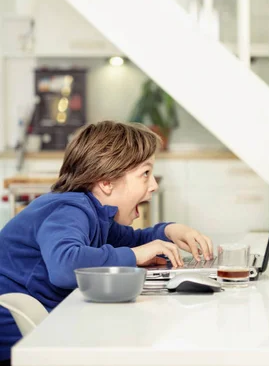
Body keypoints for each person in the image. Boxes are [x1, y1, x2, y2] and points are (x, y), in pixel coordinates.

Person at [0, 121, 214, 363]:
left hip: (43, 329)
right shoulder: (69, 209)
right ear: (106, 182)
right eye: (145, 173)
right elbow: (65, 266)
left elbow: (135, 240)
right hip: (17, 341)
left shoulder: (95, 215)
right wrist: (135, 256)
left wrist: (171, 230)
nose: (153, 185)